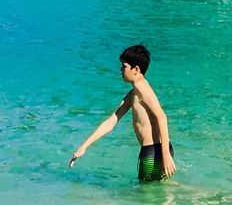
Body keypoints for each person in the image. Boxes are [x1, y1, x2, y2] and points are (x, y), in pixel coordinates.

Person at [70, 43, 176, 182]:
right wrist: (83, 147)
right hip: (159, 150)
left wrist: (166, 155)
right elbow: (111, 122)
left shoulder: (141, 87)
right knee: (158, 188)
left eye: (124, 66)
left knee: (146, 193)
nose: (121, 70)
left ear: (136, 69)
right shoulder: (134, 93)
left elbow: (162, 117)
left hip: (153, 152)